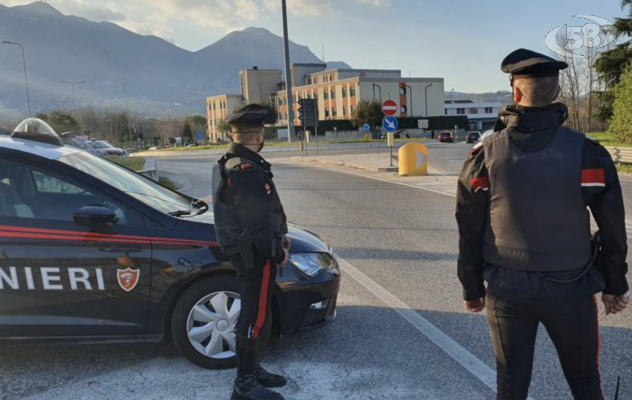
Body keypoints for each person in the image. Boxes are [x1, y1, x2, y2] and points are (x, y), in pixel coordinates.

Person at [456, 48, 630, 400]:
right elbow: (612, 229)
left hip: (507, 290)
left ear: (515, 93)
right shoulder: (589, 154)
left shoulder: (483, 157)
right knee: (584, 382)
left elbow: (469, 227)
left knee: (510, 384)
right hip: (572, 289)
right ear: (559, 92)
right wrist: (615, 284)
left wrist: (472, 287)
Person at [212, 104, 290, 400]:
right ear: (257, 135)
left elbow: (262, 213)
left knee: (258, 314)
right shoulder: (244, 168)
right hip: (254, 255)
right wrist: (278, 252)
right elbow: (256, 224)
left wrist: (282, 235)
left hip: (252, 250)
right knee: (254, 318)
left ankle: (252, 370)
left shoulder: (237, 162)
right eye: (263, 132)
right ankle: (244, 387)